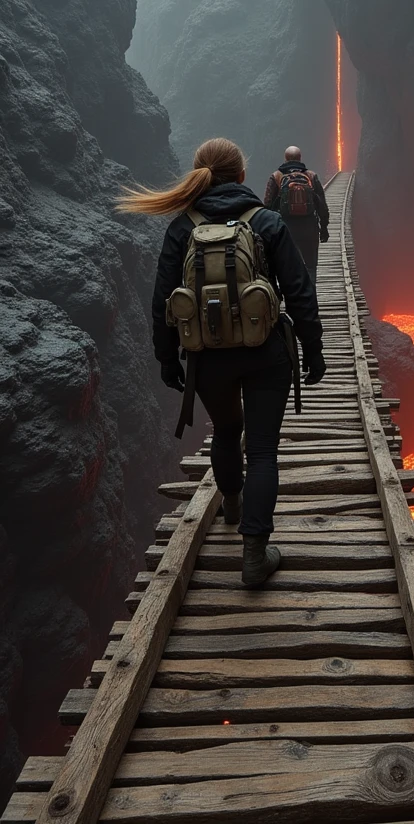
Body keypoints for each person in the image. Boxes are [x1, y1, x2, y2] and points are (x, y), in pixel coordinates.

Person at [117, 138, 326, 588]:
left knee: (228, 433)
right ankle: (254, 554)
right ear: (242, 175)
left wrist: (167, 359)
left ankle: (231, 509)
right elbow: (299, 290)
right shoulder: (266, 221)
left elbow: (163, 304)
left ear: (201, 174)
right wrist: (314, 348)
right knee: (264, 450)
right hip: (265, 352)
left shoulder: (181, 228)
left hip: (207, 359)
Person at [263, 147, 330, 285]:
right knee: (310, 267)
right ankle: (312, 301)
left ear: (285, 158)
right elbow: (322, 206)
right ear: (300, 158)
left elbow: (268, 206)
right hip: (310, 228)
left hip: (286, 229)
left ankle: (294, 302)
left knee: (288, 267)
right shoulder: (311, 176)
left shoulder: (276, 177)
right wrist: (324, 228)